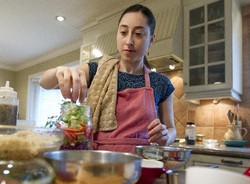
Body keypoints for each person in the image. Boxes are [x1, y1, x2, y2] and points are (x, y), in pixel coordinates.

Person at [39, 4, 176, 153]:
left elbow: (171, 129)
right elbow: (44, 82)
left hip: (142, 164)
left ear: (151, 39)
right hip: (99, 163)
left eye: (138, 34)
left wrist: (166, 136)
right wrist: (59, 71)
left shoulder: (161, 83)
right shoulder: (98, 71)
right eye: (123, 32)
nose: (128, 40)